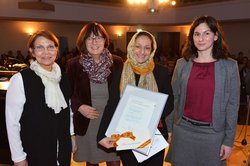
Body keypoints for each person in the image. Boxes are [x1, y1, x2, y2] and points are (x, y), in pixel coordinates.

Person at [165, 15, 240, 166]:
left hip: (214, 135)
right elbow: (174, 98)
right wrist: (170, 128)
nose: (201, 38)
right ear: (192, 37)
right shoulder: (182, 64)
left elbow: (233, 106)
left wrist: (228, 140)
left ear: (216, 36)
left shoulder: (230, 67)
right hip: (183, 131)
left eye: (206, 33)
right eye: (197, 34)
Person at [97, 30, 174, 166]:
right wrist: (102, 134)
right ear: (131, 47)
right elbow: (112, 104)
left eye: (147, 48)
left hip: (153, 135)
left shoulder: (160, 72)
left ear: (152, 50)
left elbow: (169, 103)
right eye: (138, 46)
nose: (142, 51)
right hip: (127, 136)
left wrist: (151, 117)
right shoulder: (120, 73)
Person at [5, 30, 74, 166]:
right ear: (32, 51)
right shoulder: (21, 79)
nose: (46, 52)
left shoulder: (63, 77)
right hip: (35, 148)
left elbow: (69, 110)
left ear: (56, 49)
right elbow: (12, 122)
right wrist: (18, 157)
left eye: (50, 47)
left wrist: (72, 135)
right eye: (40, 47)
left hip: (62, 147)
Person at [66, 22, 123, 166]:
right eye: (89, 38)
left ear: (105, 40)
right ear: (83, 42)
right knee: (92, 162)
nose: (94, 42)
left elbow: (124, 91)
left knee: (114, 161)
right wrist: (79, 107)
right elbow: (67, 93)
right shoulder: (74, 64)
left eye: (98, 37)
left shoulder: (117, 62)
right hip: (88, 122)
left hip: (111, 120)